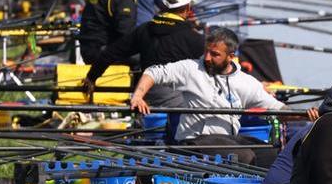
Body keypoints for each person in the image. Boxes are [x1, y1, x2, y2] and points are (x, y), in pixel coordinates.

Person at [129, 27, 311, 167]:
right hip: (193, 142)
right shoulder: (190, 69)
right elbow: (154, 72)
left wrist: (307, 115)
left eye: (214, 54)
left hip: (227, 140)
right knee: (244, 156)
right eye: (207, 51)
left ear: (231, 57)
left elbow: (279, 109)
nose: (207, 58)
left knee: (270, 153)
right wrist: (138, 96)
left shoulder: (246, 82)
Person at [83, 0, 204, 107]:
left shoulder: (144, 29)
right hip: (177, 101)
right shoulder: (193, 38)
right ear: (188, 8)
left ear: (163, 5)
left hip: (146, 97)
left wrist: (92, 77)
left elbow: (110, 53)